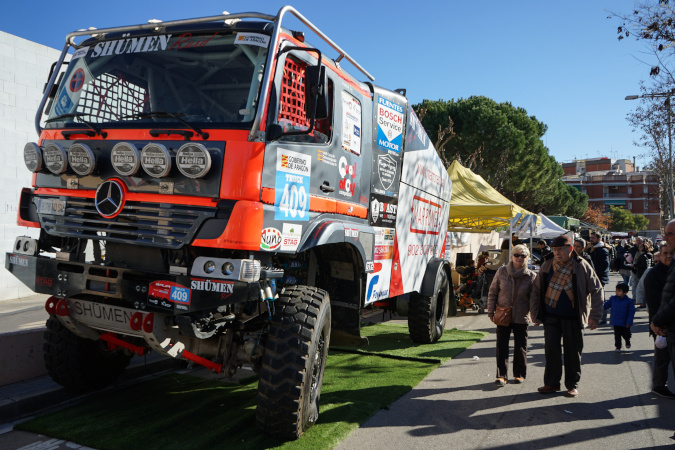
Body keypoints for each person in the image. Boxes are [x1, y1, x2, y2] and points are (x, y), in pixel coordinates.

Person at [530, 234, 604, 398]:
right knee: (551, 352)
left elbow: (597, 290)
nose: (556, 253)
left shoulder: (581, 265)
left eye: (560, 250)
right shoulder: (547, 265)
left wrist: (595, 315)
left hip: (573, 317)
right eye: (554, 250)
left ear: (570, 249)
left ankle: (572, 385)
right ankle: (551, 383)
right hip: (550, 316)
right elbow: (536, 291)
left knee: (573, 352)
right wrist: (534, 313)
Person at [487, 244, 537, 386]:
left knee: (521, 347)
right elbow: (492, 292)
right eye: (517, 255)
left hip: (522, 316)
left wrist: (535, 315)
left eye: (523, 256)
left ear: (527, 258)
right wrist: (491, 311)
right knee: (501, 346)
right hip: (503, 315)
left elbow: (534, 299)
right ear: (511, 256)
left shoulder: (531, 276)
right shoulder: (502, 271)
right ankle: (501, 375)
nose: (520, 258)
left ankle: (519, 374)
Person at [643, 242, 675, 398]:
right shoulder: (654, 274)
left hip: (669, 320)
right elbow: (653, 302)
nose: (668, 256)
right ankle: (659, 385)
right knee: (662, 357)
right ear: (659, 255)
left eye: (671, 253)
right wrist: (658, 322)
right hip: (660, 322)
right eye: (665, 253)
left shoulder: (672, 269)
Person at [651, 220, 675, 401]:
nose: (665, 237)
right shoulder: (654, 273)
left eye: (669, 234)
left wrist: (658, 320)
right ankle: (659, 384)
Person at [604, 283, 636, 351]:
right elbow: (606, 305)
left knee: (626, 334)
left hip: (625, 322)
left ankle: (627, 341)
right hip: (615, 322)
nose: (617, 292)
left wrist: (629, 321)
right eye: (616, 290)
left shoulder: (629, 301)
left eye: (619, 291)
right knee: (617, 335)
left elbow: (631, 312)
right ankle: (618, 346)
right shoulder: (613, 299)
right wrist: (599, 306)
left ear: (625, 292)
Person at [634, 242, 653, 307]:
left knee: (642, 287)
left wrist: (634, 265)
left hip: (642, 272)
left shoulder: (642, 256)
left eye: (640, 247)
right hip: (648, 272)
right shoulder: (650, 254)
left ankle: (643, 303)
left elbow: (643, 265)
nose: (639, 248)